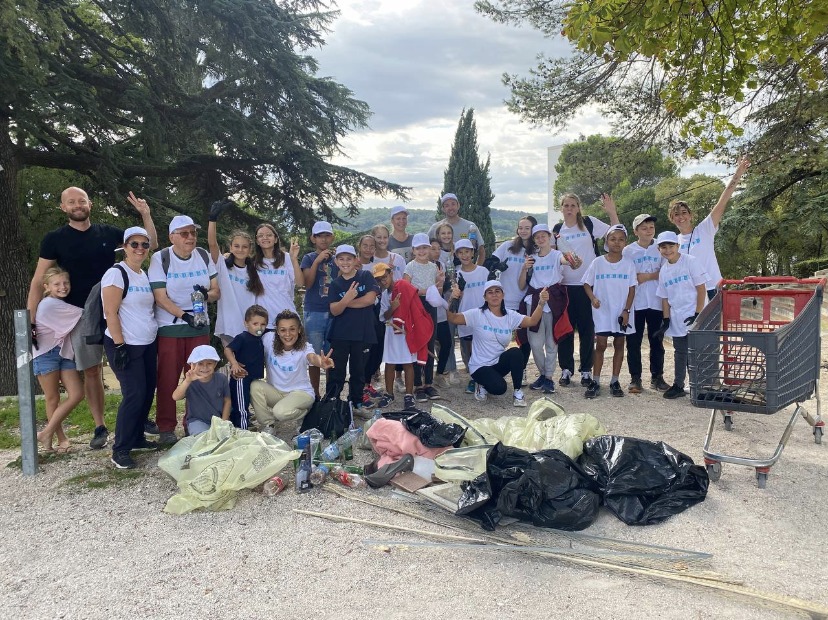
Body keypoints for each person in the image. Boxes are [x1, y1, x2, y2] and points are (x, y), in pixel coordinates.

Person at [27, 187, 158, 449]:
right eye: (71, 202)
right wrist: (29, 322)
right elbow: (37, 280)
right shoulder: (54, 239)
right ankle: (100, 426)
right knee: (92, 370)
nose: (77, 205)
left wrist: (146, 215)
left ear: (90, 204)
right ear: (63, 207)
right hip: (79, 316)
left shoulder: (108, 233)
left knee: (134, 366)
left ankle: (138, 417)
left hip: (116, 310)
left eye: (82, 201)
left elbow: (147, 243)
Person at [149, 215, 219, 445]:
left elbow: (216, 291)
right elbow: (160, 297)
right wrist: (184, 316)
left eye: (193, 233)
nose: (190, 238)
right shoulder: (162, 258)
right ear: (172, 237)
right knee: (168, 379)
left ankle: (194, 422)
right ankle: (166, 426)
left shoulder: (203, 255)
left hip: (199, 325)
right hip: (171, 326)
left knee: (200, 377)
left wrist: (204, 295)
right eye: (184, 233)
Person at [101, 227, 159, 469]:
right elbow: (110, 312)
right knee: (134, 393)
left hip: (146, 343)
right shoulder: (116, 274)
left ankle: (136, 438)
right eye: (134, 244)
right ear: (124, 247)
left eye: (144, 245)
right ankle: (120, 449)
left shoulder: (143, 274)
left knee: (146, 392)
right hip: (125, 344)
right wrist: (120, 344)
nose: (140, 249)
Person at [553, 192, 620, 388]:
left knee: (586, 330)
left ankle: (585, 371)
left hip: (588, 286)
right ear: (561, 208)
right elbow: (550, 254)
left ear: (579, 207)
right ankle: (566, 369)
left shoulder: (589, 223)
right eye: (566, 205)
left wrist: (612, 212)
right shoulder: (557, 229)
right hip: (565, 287)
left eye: (573, 205)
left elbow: (615, 234)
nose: (570, 209)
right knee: (566, 331)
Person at [448, 281, 548, 406]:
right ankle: (481, 383)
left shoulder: (510, 315)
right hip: (479, 366)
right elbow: (452, 318)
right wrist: (453, 298)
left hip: (498, 363)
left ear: (503, 295)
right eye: (490, 292)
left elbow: (532, 321)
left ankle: (518, 392)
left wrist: (541, 303)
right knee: (499, 388)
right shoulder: (477, 314)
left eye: (497, 291)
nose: (494, 295)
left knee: (516, 352)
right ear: (484, 297)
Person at [670, 156, 751, 299]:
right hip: (689, 293)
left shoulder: (704, 229)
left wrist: (738, 173)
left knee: (715, 322)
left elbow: (723, 200)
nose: (681, 217)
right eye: (676, 214)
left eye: (684, 213)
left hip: (712, 288)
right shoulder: (673, 243)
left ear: (690, 215)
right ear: (672, 219)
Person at [250, 310, 335, 434]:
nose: (288, 334)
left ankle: (305, 413)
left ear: (299, 330)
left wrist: (321, 362)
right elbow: (250, 340)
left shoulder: (304, 347)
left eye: (292, 329)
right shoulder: (268, 339)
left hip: (300, 393)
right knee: (255, 386)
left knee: (280, 413)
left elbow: (312, 357)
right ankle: (268, 424)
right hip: (277, 393)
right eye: (283, 330)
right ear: (277, 331)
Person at [518, 224, 579, 395]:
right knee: (535, 343)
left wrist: (567, 249)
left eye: (543, 235)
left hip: (553, 300)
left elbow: (571, 262)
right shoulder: (531, 257)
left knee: (552, 342)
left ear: (549, 237)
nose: (540, 239)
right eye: (537, 236)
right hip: (535, 301)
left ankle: (549, 377)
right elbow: (522, 284)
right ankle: (544, 374)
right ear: (534, 239)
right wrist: (524, 268)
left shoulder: (556, 255)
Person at [581, 225, 637, 399]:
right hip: (603, 311)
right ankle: (596, 381)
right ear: (606, 241)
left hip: (621, 311)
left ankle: (614, 381)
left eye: (621, 239)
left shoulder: (628, 264)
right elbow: (586, 284)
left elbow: (632, 289)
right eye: (613, 239)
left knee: (620, 345)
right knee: (602, 345)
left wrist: (626, 310)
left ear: (625, 242)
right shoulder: (598, 263)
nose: (617, 242)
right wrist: (593, 298)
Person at [32, 267, 83, 454]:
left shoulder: (61, 303)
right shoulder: (48, 304)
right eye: (57, 284)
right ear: (47, 287)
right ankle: (58, 438)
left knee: (77, 394)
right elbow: (83, 314)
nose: (63, 287)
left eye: (66, 283)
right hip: (46, 354)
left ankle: (46, 433)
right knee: (52, 398)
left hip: (63, 352)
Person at [654, 231, 708, 399]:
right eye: (664, 247)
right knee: (680, 352)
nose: (668, 250)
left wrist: (698, 314)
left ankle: (699, 386)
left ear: (678, 246)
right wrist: (666, 320)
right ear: (659, 249)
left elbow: (701, 289)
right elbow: (664, 297)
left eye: (671, 246)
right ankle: (678, 385)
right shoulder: (664, 270)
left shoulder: (690, 262)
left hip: (695, 314)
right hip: (677, 316)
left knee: (696, 352)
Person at [372, 263, 433, 411]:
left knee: (408, 363)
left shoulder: (403, 286)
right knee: (390, 363)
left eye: (384, 277)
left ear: (391, 273)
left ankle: (408, 395)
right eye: (379, 280)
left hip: (407, 331)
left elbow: (414, 306)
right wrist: (393, 308)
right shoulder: (385, 294)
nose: (383, 281)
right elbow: (383, 317)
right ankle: (389, 394)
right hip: (392, 332)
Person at [328, 244, 380, 412]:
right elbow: (334, 310)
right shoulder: (335, 284)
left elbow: (370, 300)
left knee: (359, 372)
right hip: (340, 334)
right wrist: (347, 299)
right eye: (341, 259)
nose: (345, 262)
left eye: (349, 259)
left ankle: (356, 403)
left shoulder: (365, 276)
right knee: (337, 372)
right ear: (336, 262)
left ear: (356, 260)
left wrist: (344, 303)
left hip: (363, 333)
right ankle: (332, 403)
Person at [623, 214, 670, 394]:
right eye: (644, 228)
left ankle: (657, 377)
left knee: (657, 340)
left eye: (651, 227)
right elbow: (627, 276)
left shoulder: (661, 247)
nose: (648, 230)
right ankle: (635, 378)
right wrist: (647, 275)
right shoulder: (628, 251)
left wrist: (646, 276)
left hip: (657, 301)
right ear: (636, 232)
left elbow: (667, 270)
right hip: (636, 302)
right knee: (633, 342)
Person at [207, 200, 261, 344]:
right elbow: (212, 244)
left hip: (250, 328)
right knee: (234, 366)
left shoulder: (255, 271)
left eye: (244, 247)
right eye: (236, 246)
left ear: (250, 250)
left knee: (247, 366)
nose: (240, 249)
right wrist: (212, 219)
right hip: (228, 328)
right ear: (230, 247)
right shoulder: (222, 266)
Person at [300, 221, 339, 398]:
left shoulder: (338, 258)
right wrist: (317, 260)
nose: (323, 239)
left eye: (326, 235)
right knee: (315, 355)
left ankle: (330, 394)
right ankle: (315, 393)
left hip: (334, 312)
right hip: (314, 311)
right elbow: (307, 283)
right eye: (319, 236)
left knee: (332, 354)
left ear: (332, 237)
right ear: (313, 239)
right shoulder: (308, 258)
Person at [452, 239, 493, 395]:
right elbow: (455, 296)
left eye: (467, 251)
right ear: (456, 254)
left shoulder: (483, 271)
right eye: (461, 252)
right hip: (465, 316)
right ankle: (473, 377)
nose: (464, 255)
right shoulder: (456, 272)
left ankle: (486, 376)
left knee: (483, 348)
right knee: (468, 350)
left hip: (483, 316)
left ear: (473, 253)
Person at [404, 233, 440, 402]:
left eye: (425, 247)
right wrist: (424, 292)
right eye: (418, 248)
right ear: (413, 250)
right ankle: (418, 384)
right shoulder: (410, 267)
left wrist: (440, 283)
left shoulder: (433, 267)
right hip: (416, 306)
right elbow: (405, 288)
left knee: (430, 344)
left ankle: (429, 383)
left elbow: (437, 287)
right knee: (418, 344)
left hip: (431, 306)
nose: (422, 251)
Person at [223, 305, 268, 430]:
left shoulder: (260, 338)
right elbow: (227, 349)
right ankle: (243, 430)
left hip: (252, 378)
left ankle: (242, 425)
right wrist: (234, 363)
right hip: (241, 377)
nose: (259, 327)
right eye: (255, 323)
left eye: (263, 324)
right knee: (241, 406)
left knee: (247, 402)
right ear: (246, 323)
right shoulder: (242, 337)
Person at [171, 345, 231, 437]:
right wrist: (187, 381)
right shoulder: (189, 381)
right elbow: (175, 397)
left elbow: (227, 401)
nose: (205, 367)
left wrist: (224, 422)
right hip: (197, 421)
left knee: (226, 440)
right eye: (200, 364)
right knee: (204, 439)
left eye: (209, 363)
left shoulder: (221, 379)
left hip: (218, 420)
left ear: (215, 364)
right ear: (192, 365)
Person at [253, 223, 304, 320]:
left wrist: (294, 259)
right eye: (260, 236)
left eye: (269, 235)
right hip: (263, 320)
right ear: (257, 241)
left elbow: (300, 283)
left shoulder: (287, 258)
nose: (265, 238)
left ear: (276, 239)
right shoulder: (253, 262)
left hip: (286, 316)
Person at [428, 193, 486, 265]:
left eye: (453, 204)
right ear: (443, 209)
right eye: (447, 205)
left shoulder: (470, 227)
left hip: (464, 272)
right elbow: (425, 250)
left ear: (458, 206)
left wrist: (476, 270)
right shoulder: (435, 228)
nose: (450, 208)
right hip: (440, 273)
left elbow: (481, 251)